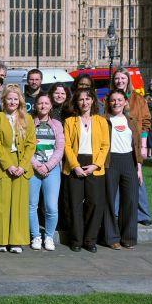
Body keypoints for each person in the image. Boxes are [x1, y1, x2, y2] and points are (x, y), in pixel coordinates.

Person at [0, 85, 36, 253]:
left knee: (18, 205)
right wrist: (9, 165)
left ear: (20, 101)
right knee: (1, 205)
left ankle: (16, 241)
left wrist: (22, 166)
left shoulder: (27, 119)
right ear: (4, 100)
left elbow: (31, 144)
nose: (13, 102)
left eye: (16, 99)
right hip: (3, 165)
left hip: (22, 164)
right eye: (9, 98)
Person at [63, 87, 110, 253]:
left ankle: (90, 240)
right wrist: (75, 166)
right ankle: (76, 239)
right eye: (81, 99)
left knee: (95, 204)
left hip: (94, 166)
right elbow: (67, 146)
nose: (84, 102)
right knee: (74, 205)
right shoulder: (70, 122)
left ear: (93, 101)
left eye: (88, 99)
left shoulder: (101, 121)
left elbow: (105, 146)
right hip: (75, 164)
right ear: (77, 101)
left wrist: (96, 165)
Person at [110, 67, 152, 226]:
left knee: (138, 178)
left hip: (134, 144)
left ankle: (143, 214)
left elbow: (146, 121)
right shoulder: (109, 98)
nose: (120, 81)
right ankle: (114, 213)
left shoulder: (138, 99)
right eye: (117, 79)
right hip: (116, 144)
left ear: (128, 80)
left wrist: (143, 145)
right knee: (115, 181)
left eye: (123, 78)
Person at [103, 89, 144, 250]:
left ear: (125, 102)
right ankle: (112, 237)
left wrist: (138, 167)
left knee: (131, 200)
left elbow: (138, 145)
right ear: (108, 102)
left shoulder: (131, 121)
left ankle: (128, 237)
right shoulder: (103, 120)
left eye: (119, 100)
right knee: (109, 200)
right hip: (110, 162)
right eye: (113, 100)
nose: (116, 103)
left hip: (128, 161)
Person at [28, 93, 65, 251]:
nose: (43, 106)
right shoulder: (29, 123)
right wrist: (37, 165)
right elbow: (26, 148)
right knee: (32, 205)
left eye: (46, 103)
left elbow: (60, 148)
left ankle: (48, 236)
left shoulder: (56, 124)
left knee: (51, 206)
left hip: (52, 169)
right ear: (36, 105)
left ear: (51, 106)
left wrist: (48, 166)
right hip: (34, 169)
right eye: (40, 103)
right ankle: (36, 235)